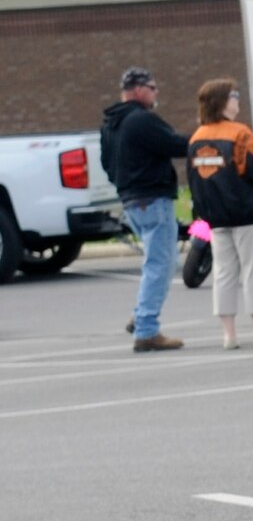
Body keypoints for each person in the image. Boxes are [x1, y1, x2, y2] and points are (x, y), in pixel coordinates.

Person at [186, 78, 253, 351]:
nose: (238, 100)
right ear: (223, 102)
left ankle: (229, 335)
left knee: (224, 272)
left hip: (216, 216)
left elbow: (194, 178)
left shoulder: (197, 138)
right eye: (234, 95)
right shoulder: (239, 134)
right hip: (247, 212)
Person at [100, 67, 189, 351]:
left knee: (159, 261)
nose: (156, 92)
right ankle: (147, 329)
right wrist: (206, 139)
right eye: (153, 87)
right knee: (160, 264)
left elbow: (106, 164)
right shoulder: (141, 120)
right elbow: (176, 145)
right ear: (138, 90)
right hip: (152, 199)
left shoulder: (111, 124)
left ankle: (141, 317)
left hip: (132, 200)